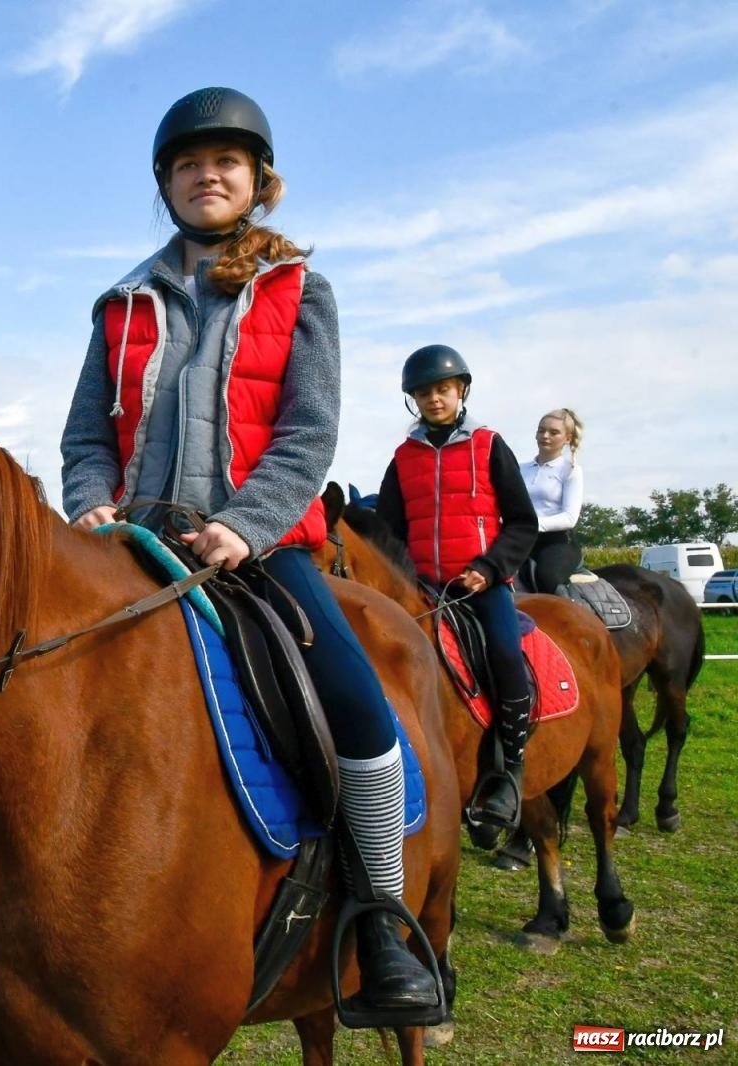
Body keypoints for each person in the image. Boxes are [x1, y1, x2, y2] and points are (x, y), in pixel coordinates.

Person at [60, 87, 439, 1022]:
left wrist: (247, 523)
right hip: (131, 543)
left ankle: (383, 922)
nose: (207, 174)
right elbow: (84, 438)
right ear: (166, 184)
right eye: (188, 164)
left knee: (358, 712)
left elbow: (310, 433)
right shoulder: (119, 304)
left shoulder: (300, 289)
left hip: (258, 549)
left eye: (226, 162)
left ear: (258, 182)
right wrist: (92, 506)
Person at [374, 345, 539, 834]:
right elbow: (388, 533)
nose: (434, 399)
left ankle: (510, 767)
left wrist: (489, 568)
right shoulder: (403, 458)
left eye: (442, 389)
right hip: (425, 587)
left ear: (461, 390)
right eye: (423, 393)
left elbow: (523, 523)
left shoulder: (490, 446)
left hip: (480, 584)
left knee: (506, 654)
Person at [520, 409, 585, 593]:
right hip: (520, 538)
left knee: (547, 578)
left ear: (567, 438)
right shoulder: (519, 469)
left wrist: (532, 524)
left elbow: (569, 518)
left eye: (553, 432)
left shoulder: (571, 470)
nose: (545, 436)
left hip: (557, 542)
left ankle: (570, 619)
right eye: (541, 431)